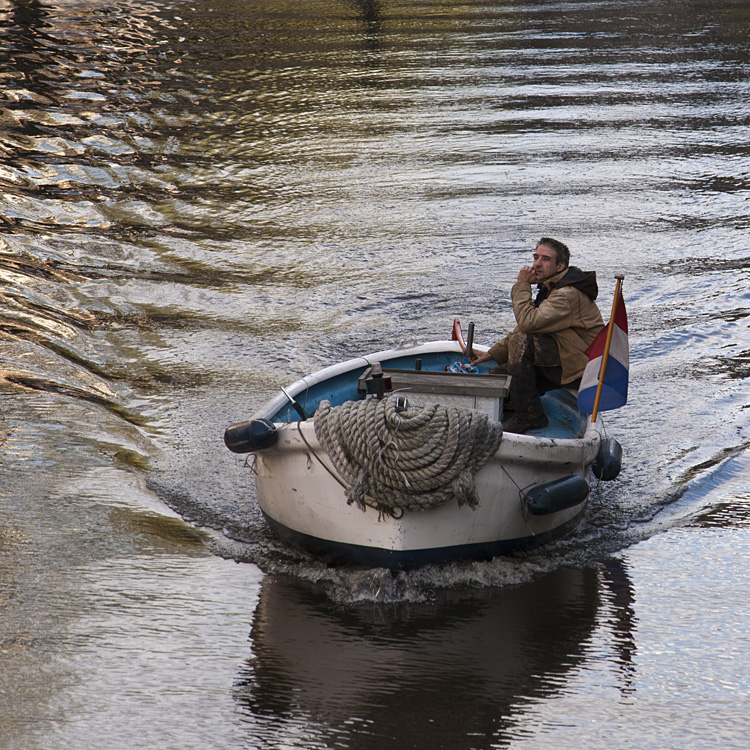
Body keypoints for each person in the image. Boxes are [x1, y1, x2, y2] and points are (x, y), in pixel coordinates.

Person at [471, 238, 604, 434]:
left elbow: (527, 323)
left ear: (560, 266)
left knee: (520, 343)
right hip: (565, 357)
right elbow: (530, 328)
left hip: (580, 368)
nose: (536, 264)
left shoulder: (566, 294)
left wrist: (522, 285)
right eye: (535, 257)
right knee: (499, 377)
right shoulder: (552, 286)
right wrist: (492, 354)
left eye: (545, 259)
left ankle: (530, 416)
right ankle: (518, 407)